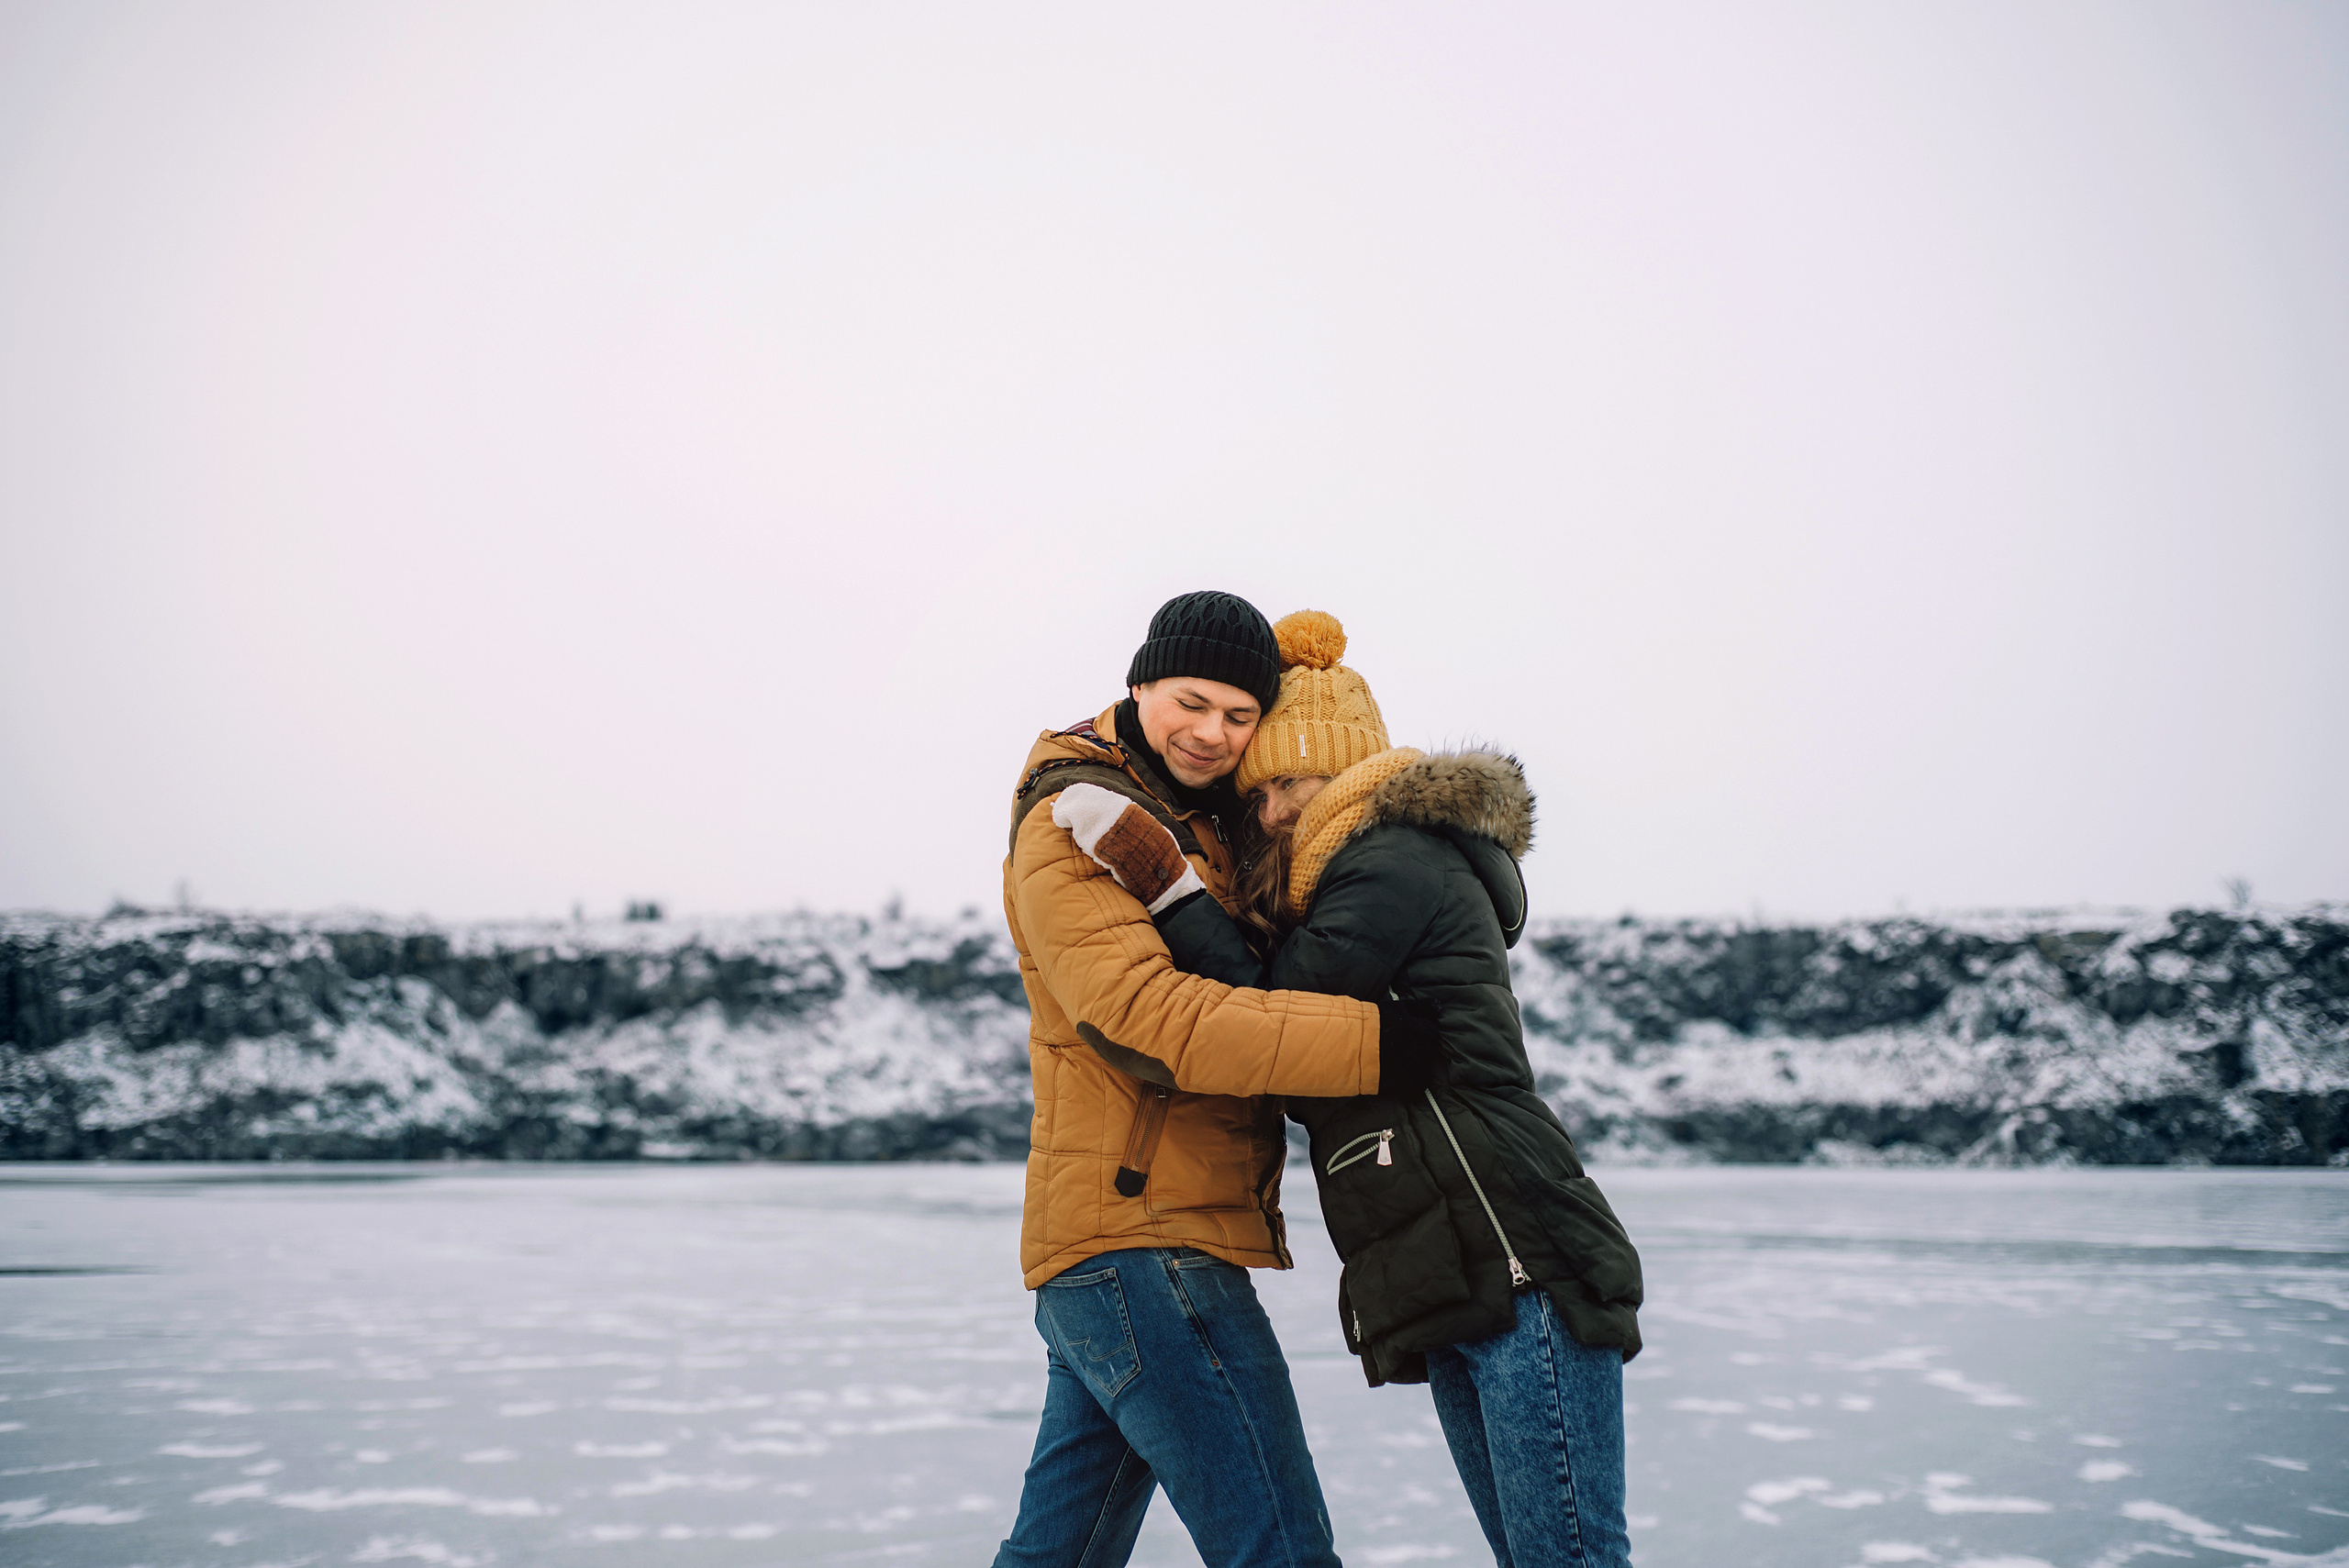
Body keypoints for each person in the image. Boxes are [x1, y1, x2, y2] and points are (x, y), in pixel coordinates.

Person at [1057, 610, 1644, 1568]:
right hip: (1454, 1267)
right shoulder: (1336, 892)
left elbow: (1278, 1010)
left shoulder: (1392, 854)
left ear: (1345, 773)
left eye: (1291, 782)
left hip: (1514, 1254)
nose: (1274, 810)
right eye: (1263, 791)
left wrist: (1166, 883)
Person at [994, 590, 1442, 1568]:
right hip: (1141, 1241)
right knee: (1278, 1546)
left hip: (1113, 1247)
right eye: (1192, 701)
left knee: (1058, 1554)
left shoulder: (1191, 818)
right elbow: (1146, 1019)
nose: (1212, 733)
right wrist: (1367, 1044)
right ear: (1141, 681)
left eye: (1240, 717)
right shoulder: (1075, 817)